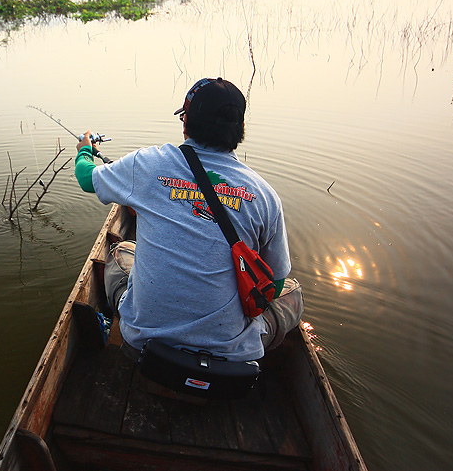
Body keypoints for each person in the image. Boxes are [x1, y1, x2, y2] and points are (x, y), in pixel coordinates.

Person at [74, 78, 303, 362]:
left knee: (120, 252)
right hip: (231, 361)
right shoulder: (264, 196)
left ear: (185, 124)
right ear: (241, 129)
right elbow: (276, 284)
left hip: (143, 349)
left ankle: (122, 319)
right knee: (293, 292)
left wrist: (84, 148)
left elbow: (86, 177)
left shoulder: (147, 164)